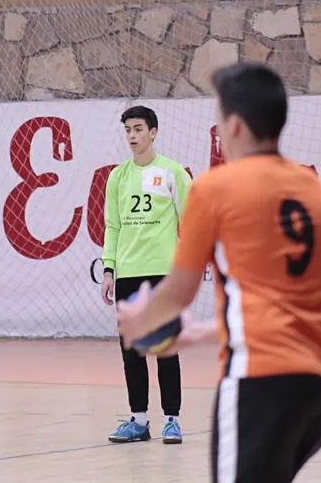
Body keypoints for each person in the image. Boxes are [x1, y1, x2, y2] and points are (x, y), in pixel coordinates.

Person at [117, 62, 321, 483]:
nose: (218, 131)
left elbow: (178, 294)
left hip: (260, 381)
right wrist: (202, 333)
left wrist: (139, 320)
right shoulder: (314, 190)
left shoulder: (216, 188)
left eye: (219, 120)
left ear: (235, 125)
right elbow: (287, 308)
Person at [101, 105, 193, 445]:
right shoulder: (117, 177)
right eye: (128, 130)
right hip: (128, 273)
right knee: (132, 349)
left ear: (153, 132)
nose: (132, 135)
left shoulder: (172, 172)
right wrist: (109, 268)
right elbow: (113, 226)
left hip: (163, 274)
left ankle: (172, 420)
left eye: (138, 129)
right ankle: (139, 420)